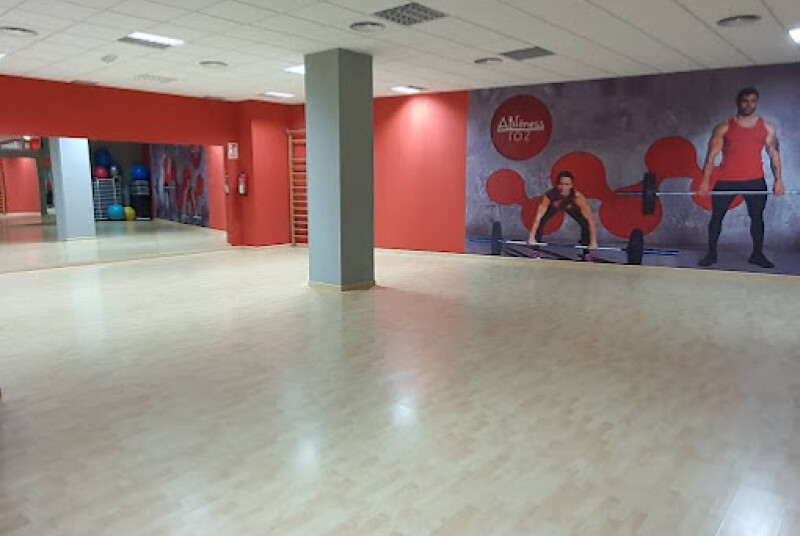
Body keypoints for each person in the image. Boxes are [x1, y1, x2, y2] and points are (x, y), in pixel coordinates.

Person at [698, 87, 784, 268]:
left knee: (757, 218)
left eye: (753, 101)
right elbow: (711, 157)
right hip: (727, 179)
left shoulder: (767, 127)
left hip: (755, 180)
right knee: (716, 217)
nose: (749, 105)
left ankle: (757, 255)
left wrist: (779, 180)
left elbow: (774, 155)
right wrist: (705, 182)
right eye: (745, 101)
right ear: (738, 102)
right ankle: (711, 254)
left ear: (757, 102)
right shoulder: (724, 127)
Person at [527, 170, 599, 253]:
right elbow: (538, 217)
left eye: (567, 184)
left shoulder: (577, 197)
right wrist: (531, 237)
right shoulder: (550, 195)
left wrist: (593, 242)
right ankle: (535, 250)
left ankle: (586, 253)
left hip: (572, 209)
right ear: (556, 184)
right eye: (561, 184)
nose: (563, 188)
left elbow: (590, 220)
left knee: (585, 224)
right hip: (553, 208)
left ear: (571, 185)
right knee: (541, 221)